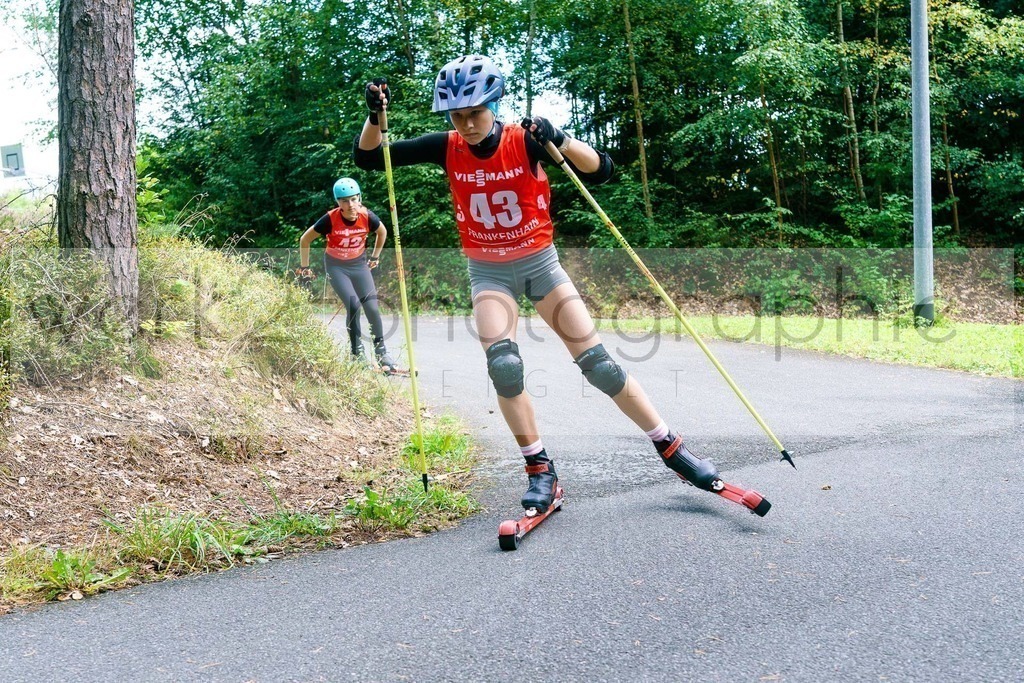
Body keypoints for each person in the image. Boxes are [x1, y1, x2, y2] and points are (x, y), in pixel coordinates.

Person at [354, 54, 723, 513]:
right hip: (488, 272)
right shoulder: (445, 145)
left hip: (541, 266)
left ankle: (671, 447)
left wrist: (560, 139)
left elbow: (601, 169)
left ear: (494, 104)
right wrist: (376, 116)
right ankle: (540, 470)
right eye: (457, 116)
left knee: (599, 365)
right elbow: (368, 158)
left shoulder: (524, 141)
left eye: (475, 113)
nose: (466, 124)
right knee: (504, 367)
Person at [297, 177, 400, 373]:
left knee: (372, 307)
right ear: (338, 203)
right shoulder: (330, 218)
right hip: (336, 267)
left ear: (359, 198)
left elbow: (383, 232)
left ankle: (381, 352)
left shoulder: (367, 216)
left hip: (359, 264)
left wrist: (375, 257)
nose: (350, 205)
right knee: (353, 305)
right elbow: (305, 239)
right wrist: (305, 267)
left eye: (353, 199)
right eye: (344, 201)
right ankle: (357, 352)